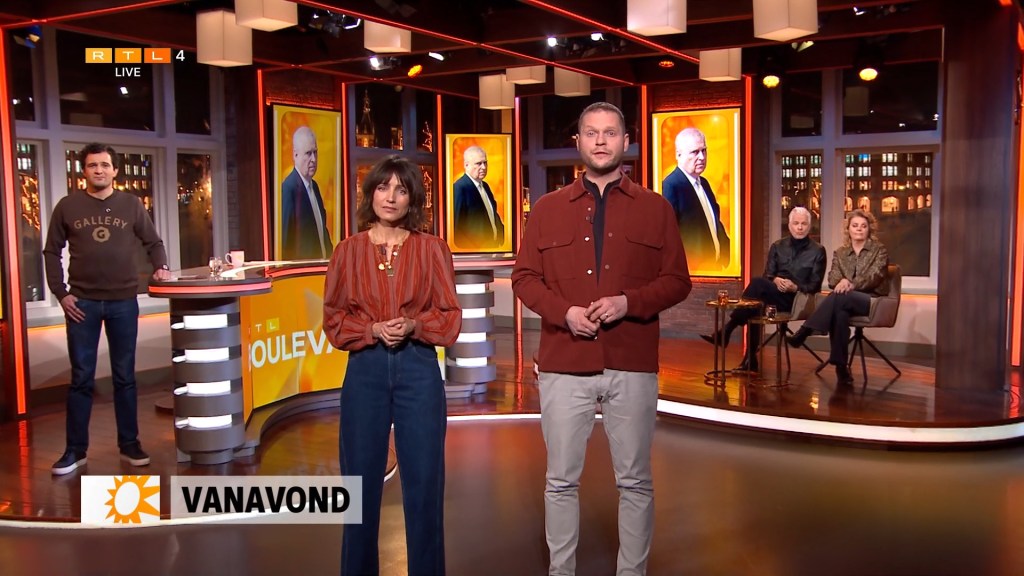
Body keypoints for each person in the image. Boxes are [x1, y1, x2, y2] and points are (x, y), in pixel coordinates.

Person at [512, 102, 692, 576]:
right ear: (578, 142)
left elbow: (678, 281)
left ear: (625, 141)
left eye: (609, 132)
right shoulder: (547, 209)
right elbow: (524, 278)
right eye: (591, 133)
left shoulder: (656, 208)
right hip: (564, 363)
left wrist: (628, 304)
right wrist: (565, 313)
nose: (600, 141)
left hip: (631, 363)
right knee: (560, 481)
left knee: (634, 481)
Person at [323, 155, 461, 575]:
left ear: (412, 199)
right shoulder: (347, 251)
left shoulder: (432, 249)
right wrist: (370, 330)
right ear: (370, 194)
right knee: (359, 488)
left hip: (418, 369)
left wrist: (415, 325)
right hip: (365, 371)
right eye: (383, 187)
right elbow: (333, 320)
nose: (391, 197)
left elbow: (449, 317)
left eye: (401, 190)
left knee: (424, 485)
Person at [44, 143, 172, 476]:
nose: (98, 170)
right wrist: (61, 294)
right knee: (81, 378)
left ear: (115, 170)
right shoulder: (67, 206)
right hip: (81, 304)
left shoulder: (131, 205)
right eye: (92, 165)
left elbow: (154, 242)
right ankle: (75, 451)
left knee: (124, 377)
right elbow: (51, 251)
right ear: (83, 171)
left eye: (104, 165)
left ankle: (130, 444)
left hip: (123, 302)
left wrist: (160, 267)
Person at [700, 206, 826, 371]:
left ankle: (728, 331)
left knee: (756, 286)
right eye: (796, 223)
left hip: (798, 300)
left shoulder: (818, 251)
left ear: (809, 226)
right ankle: (749, 359)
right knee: (756, 304)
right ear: (789, 225)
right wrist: (775, 280)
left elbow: (814, 286)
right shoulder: (777, 246)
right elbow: (768, 275)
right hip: (774, 295)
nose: (800, 227)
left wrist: (795, 287)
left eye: (803, 224)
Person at [788, 209, 889, 385]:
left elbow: (875, 276)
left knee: (840, 297)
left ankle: (806, 330)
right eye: (855, 225)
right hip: (844, 299)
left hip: (870, 300)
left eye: (863, 226)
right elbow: (832, 279)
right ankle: (841, 367)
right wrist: (842, 281)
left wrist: (851, 284)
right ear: (848, 229)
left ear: (869, 229)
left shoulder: (879, 250)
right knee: (840, 313)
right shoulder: (841, 252)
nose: (859, 229)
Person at [662, 127, 730, 270]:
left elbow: (715, 223)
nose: (702, 157)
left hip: (715, 269)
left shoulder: (704, 183)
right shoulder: (671, 185)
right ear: (678, 154)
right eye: (695, 152)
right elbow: (667, 235)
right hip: (691, 271)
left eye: (704, 150)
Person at [281, 125, 333, 260]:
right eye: (308, 153)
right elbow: (285, 242)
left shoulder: (314, 186)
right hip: (302, 270)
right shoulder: (288, 189)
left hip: (322, 267)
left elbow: (322, 230)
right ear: (295, 155)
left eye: (315, 152)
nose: (314, 159)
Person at [452, 145, 504, 250]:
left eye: (485, 163)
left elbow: (493, 216)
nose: (483, 167)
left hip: (493, 250)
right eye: (478, 163)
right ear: (466, 165)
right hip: (474, 253)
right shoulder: (459, 188)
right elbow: (456, 227)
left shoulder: (485, 186)